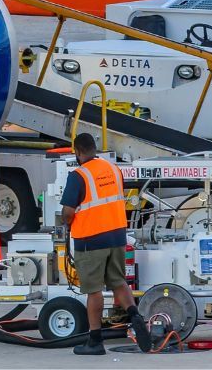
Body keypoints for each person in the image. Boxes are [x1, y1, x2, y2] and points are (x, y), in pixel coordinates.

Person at [58, 132, 138, 356]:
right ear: (94, 148)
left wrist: (66, 221)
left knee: (94, 291)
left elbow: (68, 212)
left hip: (91, 240)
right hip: (117, 236)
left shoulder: (78, 175)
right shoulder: (113, 169)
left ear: (77, 152)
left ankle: (95, 341)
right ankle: (135, 316)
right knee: (118, 282)